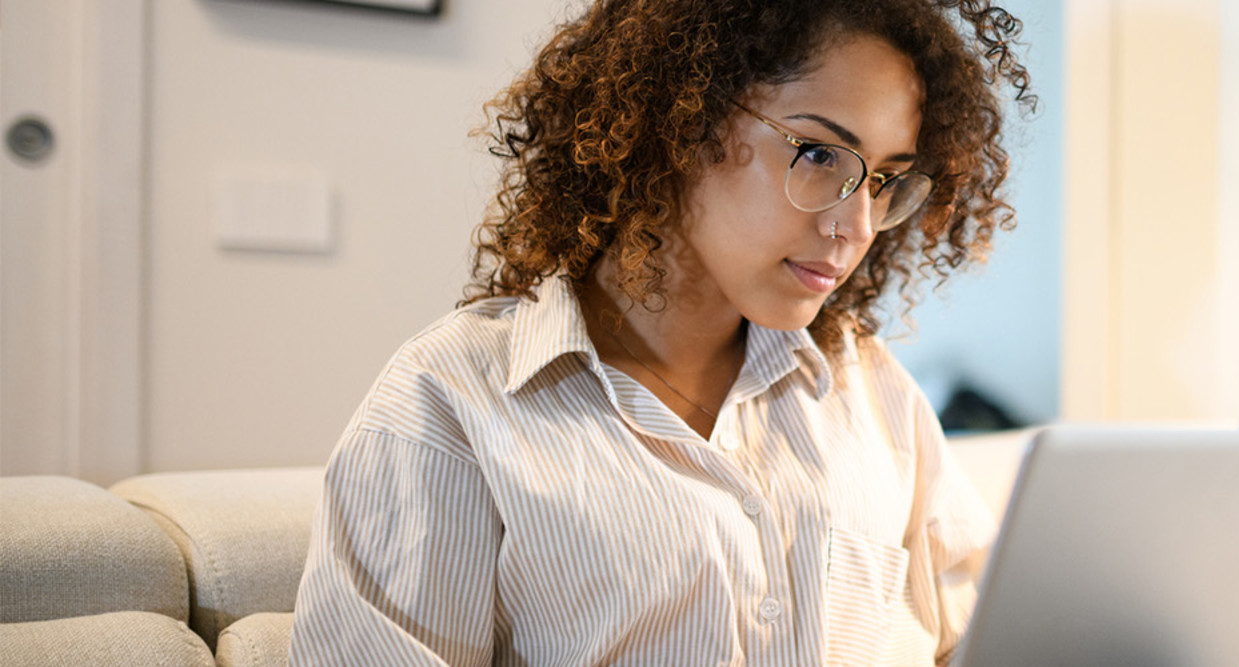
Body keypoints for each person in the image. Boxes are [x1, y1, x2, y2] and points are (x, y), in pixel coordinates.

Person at [288, 0, 1033, 664]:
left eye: (881, 179)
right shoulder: (449, 402)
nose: (857, 224)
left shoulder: (869, 391)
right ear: (680, 122)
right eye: (818, 154)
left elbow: (982, 637)